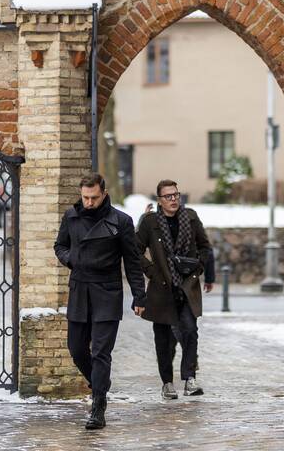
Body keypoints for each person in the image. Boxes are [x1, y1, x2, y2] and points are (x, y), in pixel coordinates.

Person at [54, 173, 146, 430]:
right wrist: (71, 258)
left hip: (107, 292)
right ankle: (100, 383)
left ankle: (98, 407)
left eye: (94, 197)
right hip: (79, 289)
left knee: (101, 353)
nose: (89, 202)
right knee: (76, 349)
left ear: (104, 194)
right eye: (85, 197)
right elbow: (59, 245)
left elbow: (133, 261)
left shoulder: (121, 221)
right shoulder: (71, 216)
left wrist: (139, 295)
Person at [136, 180, 214, 400]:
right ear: (159, 200)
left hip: (187, 286)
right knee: (163, 339)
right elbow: (135, 250)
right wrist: (151, 270)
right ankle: (167, 383)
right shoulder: (150, 222)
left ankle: (189, 378)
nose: (173, 200)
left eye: (176, 195)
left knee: (190, 331)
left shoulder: (190, 217)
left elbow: (205, 246)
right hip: (161, 289)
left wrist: (198, 266)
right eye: (168, 196)